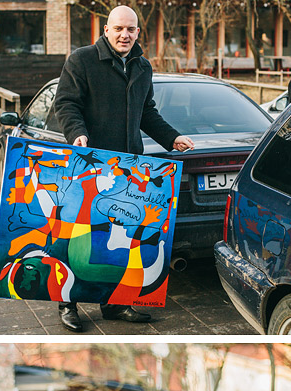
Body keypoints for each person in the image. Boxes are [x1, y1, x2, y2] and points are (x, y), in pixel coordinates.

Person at [52, 5, 195, 333]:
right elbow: (66, 103)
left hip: (128, 170)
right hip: (87, 165)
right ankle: (67, 303)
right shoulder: (82, 59)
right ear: (106, 30)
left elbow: (147, 112)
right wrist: (77, 133)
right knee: (77, 235)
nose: (124, 35)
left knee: (118, 236)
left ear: (137, 32)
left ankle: (114, 305)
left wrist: (172, 137)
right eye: (118, 29)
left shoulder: (143, 67)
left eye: (130, 29)